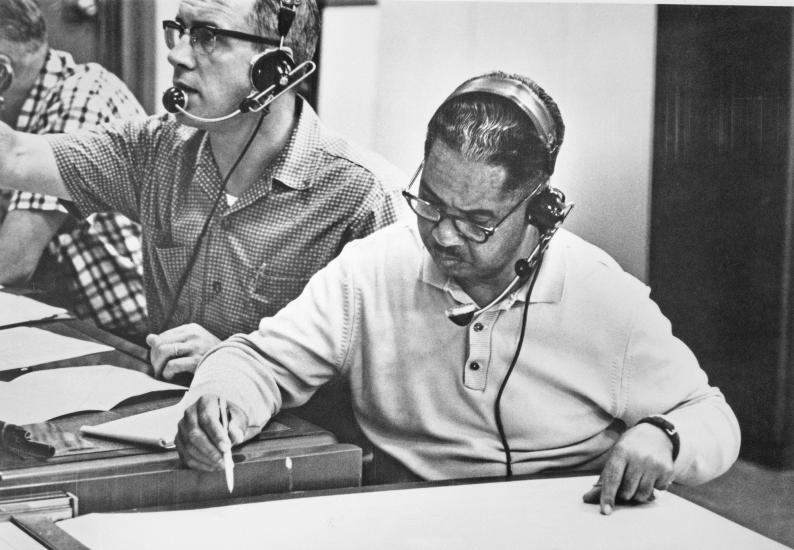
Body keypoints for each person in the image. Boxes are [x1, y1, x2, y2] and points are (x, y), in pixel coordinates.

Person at [175, 71, 741, 514]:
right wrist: (222, 400)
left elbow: (709, 415)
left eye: (476, 221)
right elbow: (259, 361)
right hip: (404, 516)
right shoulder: (372, 269)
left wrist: (664, 436)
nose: (443, 235)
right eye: (432, 203)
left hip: (566, 518)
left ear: (540, 209)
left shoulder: (605, 297)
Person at [0, 0, 404, 376]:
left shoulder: (363, 195)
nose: (176, 54)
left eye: (207, 35)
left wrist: (247, 364)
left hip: (300, 441)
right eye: (180, 30)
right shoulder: (154, 149)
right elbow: (15, 156)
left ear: (276, 66)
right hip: (172, 416)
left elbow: (391, 376)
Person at [0, 0, 147, 338]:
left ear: (2, 72)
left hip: (140, 337)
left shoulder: (81, 96)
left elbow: (12, 264)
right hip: (76, 325)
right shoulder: (29, 107)